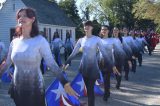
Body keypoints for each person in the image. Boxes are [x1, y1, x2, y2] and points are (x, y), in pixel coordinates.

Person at [0, 8, 77, 106]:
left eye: (25, 16)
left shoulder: (40, 41)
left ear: (33, 19)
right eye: (19, 16)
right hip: (17, 88)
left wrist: (65, 82)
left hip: (35, 89)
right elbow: (7, 63)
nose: (21, 18)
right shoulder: (14, 42)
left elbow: (51, 64)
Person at [64, 21, 114, 106]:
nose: (86, 27)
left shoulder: (96, 39)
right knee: (88, 89)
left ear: (92, 28)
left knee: (90, 90)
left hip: (93, 69)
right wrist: (66, 62)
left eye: (88, 26)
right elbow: (74, 52)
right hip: (84, 68)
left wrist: (112, 65)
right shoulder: (81, 40)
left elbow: (104, 53)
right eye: (85, 26)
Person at [99, 25, 119, 101]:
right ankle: (107, 91)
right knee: (103, 79)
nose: (103, 31)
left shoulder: (112, 40)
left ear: (108, 31)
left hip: (109, 62)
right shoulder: (98, 40)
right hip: (100, 62)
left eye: (105, 29)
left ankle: (106, 93)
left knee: (106, 79)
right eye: (102, 29)